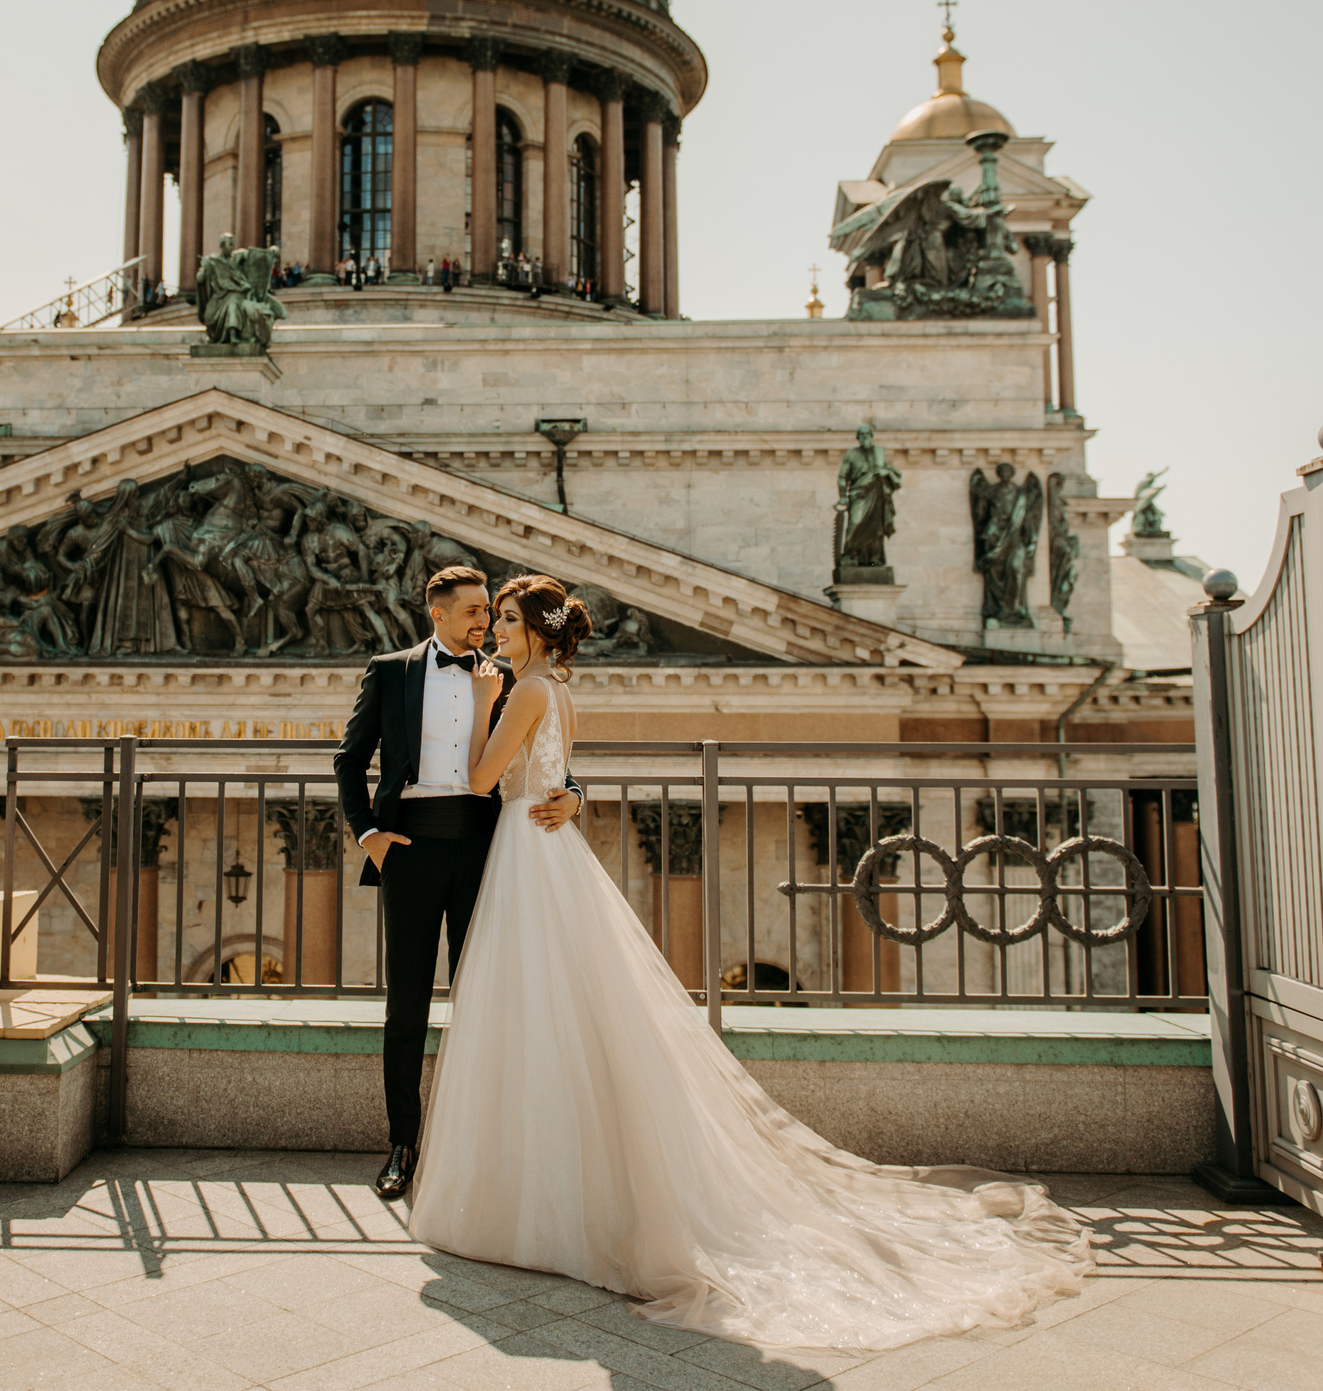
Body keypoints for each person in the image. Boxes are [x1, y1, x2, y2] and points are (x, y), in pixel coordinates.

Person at [407, 573, 1094, 1353]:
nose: (493, 628)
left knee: (527, 1020)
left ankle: (527, 1202)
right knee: (572, 1021)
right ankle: (565, 1200)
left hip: (527, 857)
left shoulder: (523, 690)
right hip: (552, 852)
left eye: (504, 618)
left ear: (535, 629)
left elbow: (481, 778)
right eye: (489, 616)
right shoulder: (561, 691)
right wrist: (573, 793)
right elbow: (555, 775)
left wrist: (485, 705)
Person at [333, 567, 581, 1202]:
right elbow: (350, 758)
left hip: (484, 846)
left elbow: (549, 755)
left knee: (486, 1001)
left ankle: (481, 1148)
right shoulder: (389, 669)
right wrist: (367, 834)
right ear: (436, 613)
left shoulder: (510, 676)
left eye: (490, 611)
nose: (483, 622)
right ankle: (402, 1144)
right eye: (473, 611)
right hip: (408, 848)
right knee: (406, 1005)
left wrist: (575, 795)